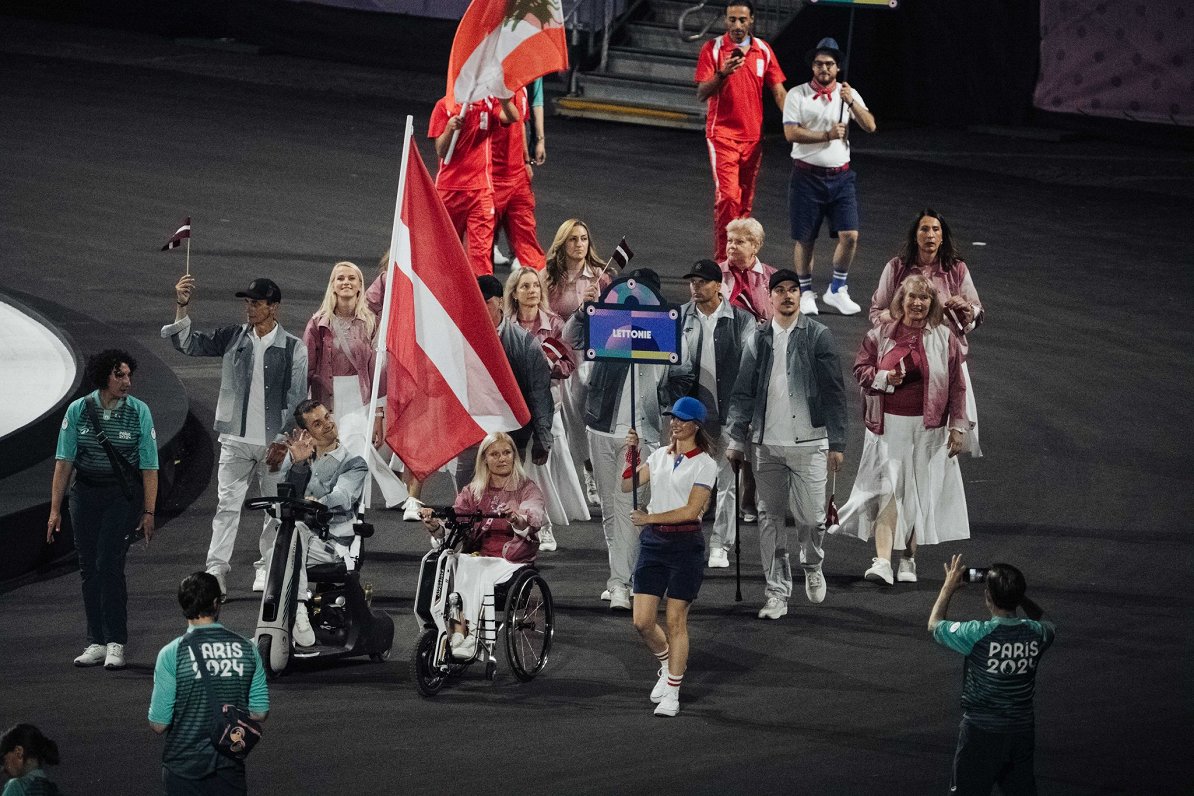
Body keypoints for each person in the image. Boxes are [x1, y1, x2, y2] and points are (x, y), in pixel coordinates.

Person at [163, 276, 308, 599]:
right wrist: (182, 306)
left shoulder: (294, 348)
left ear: (274, 308)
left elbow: (298, 399)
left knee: (275, 510)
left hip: (273, 444)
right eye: (247, 302)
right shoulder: (232, 337)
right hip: (235, 440)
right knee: (226, 506)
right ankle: (216, 572)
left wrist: (283, 441)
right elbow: (188, 344)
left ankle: (269, 567)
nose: (249, 308)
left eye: (256, 303)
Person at [565, 267, 694, 611]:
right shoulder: (609, 326)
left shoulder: (668, 330)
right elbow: (572, 336)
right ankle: (628, 577)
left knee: (628, 509)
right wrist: (584, 310)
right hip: (601, 429)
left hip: (642, 435)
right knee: (611, 509)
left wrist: (667, 402)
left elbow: (683, 376)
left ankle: (622, 583)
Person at [831, 274, 971, 585]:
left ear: (932, 303)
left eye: (925, 298)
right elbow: (860, 370)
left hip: (928, 428)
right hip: (887, 426)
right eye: (912, 297)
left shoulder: (944, 338)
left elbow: (957, 387)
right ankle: (882, 561)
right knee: (888, 491)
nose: (918, 303)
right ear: (901, 301)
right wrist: (883, 378)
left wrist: (958, 427)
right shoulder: (879, 333)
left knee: (915, 494)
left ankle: (908, 558)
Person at [726, 269, 847, 619]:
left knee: (811, 518)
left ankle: (811, 562)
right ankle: (776, 592)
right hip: (765, 445)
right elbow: (743, 392)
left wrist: (837, 441)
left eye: (794, 290)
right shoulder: (758, 338)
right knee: (769, 517)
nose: (788, 296)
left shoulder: (818, 336)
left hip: (810, 443)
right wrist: (737, 437)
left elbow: (834, 393)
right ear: (770, 295)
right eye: (780, 290)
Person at [48, 349, 158, 670]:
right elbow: (64, 462)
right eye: (119, 375)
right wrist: (55, 510)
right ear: (103, 377)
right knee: (88, 568)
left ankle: (115, 642)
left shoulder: (139, 412)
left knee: (108, 563)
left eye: (128, 375)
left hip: (122, 496)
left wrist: (149, 512)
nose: (127, 382)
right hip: (85, 495)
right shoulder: (79, 410)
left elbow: (150, 467)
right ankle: (95, 640)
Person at [623, 397, 718, 718]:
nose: (674, 423)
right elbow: (627, 485)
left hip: (685, 547)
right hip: (653, 546)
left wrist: (648, 518)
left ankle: (673, 693)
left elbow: (692, 510)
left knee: (676, 620)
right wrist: (632, 453)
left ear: (696, 425)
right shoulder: (660, 455)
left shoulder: (705, 463)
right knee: (642, 622)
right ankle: (667, 665)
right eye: (672, 418)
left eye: (682, 419)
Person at [929, 556, 1055, 795]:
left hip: (980, 733)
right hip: (1021, 730)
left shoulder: (977, 634)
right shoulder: (1037, 634)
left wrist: (948, 587)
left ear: (988, 598)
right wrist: (1017, 595)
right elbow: (1046, 621)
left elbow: (934, 625)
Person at [870, 208, 985, 456]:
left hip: (945, 361)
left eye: (936, 229)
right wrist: (903, 320)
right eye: (924, 229)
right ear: (915, 236)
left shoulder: (957, 269)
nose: (930, 235)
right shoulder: (896, 268)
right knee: (899, 435)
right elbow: (876, 312)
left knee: (942, 441)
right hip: (903, 359)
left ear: (943, 237)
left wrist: (967, 310)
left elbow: (977, 313)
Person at [421, 432, 545, 659]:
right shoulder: (473, 491)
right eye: (494, 454)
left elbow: (535, 514)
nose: (502, 458)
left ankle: (466, 635)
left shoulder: (527, 487)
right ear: (484, 459)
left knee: (472, 567)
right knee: (451, 562)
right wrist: (434, 526)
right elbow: (454, 524)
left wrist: (516, 517)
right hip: (478, 556)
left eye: (507, 453)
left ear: (514, 456)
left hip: (511, 560)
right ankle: (454, 631)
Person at [149, 572, 269, 795]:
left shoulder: (171, 654)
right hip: (228, 766)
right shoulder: (246, 648)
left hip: (182, 767)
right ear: (216, 603)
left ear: (183, 604)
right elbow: (259, 712)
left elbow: (159, 724)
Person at [782, 37, 877, 316]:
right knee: (806, 238)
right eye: (819, 63)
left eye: (830, 64)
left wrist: (853, 104)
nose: (824, 68)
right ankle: (806, 290)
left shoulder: (848, 93)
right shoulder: (796, 94)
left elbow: (870, 125)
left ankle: (837, 289)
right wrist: (826, 135)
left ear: (837, 68)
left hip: (841, 178)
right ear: (812, 66)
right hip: (806, 177)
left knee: (850, 235)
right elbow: (791, 133)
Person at [695, 2, 786, 261]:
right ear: (725, 21)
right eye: (732, 20)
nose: (737, 26)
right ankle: (722, 260)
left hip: (753, 137)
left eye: (742, 20)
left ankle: (740, 258)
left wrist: (795, 121)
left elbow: (779, 92)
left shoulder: (764, 50)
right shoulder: (712, 49)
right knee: (728, 198)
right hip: (722, 134)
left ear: (751, 21)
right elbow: (702, 92)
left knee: (745, 203)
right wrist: (723, 73)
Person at [504, 268, 587, 551]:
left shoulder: (554, 324)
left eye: (535, 286)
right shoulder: (505, 325)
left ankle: (545, 525)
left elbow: (568, 364)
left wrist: (549, 366)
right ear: (514, 293)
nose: (531, 291)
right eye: (524, 287)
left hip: (547, 406)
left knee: (543, 469)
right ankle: (521, 524)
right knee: (517, 469)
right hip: (513, 407)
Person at [679, 259, 755, 567]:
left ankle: (721, 544)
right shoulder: (680, 317)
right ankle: (687, 537)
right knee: (687, 481)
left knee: (727, 484)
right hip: (691, 417)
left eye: (702, 282)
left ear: (718, 285)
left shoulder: (741, 320)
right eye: (692, 282)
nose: (695, 287)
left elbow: (751, 368)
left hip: (728, 413)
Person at [280, 399, 369, 648]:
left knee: (287, 542)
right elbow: (286, 499)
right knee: (284, 533)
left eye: (327, 417)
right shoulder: (297, 459)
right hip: (302, 542)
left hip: (334, 545)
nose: (328, 425)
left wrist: (315, 502)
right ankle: (283, 619)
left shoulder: (354, 463)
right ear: (307, 433)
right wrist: (299, 466)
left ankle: (297, 610)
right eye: (318, 423)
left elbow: (342, 497)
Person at [540, 218, 616, 506]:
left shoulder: (601, 276)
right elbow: (542, 315)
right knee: (571, 420)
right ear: (563, 243)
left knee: (591, 415)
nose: (579, 244)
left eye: (583, 239)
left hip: (592, 355)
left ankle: (595, 472)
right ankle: (584, 472)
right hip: (558, 353)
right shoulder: (546, 277)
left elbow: (612, 321)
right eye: (573, 239)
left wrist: (597, 306)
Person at [454, 276, 554, 489]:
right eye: (475, 302)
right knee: (466, 496)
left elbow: (539, 393)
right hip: (473, 429)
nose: (479, 307)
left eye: (486, 302)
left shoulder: (526, 345)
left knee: (507, 496)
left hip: (512, 431)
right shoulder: (458, 338)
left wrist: (542, 438)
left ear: (500, 302)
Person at [428, 94, 521, 275]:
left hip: (481, 191)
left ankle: (482, 301)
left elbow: (512, 116)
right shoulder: (443, 105)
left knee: (480, 255)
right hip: (449, 189)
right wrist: (450, 128)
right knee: (444, 251)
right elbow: (441, 149)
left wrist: (502, 96)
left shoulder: (488, 103)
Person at [491, 81, 547, 271]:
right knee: (483, 232)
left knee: (525, 226)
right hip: (492, 174)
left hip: (517, 174)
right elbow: (507, 117)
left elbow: (521, 124)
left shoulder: (522, 90)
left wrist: (525, 160)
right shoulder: (489, 89)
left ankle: (528, 263)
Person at [1, 724, 60, 796]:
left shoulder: (15, 786)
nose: (3, 768)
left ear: (18, 752)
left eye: (4, 760)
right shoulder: (52, 789)